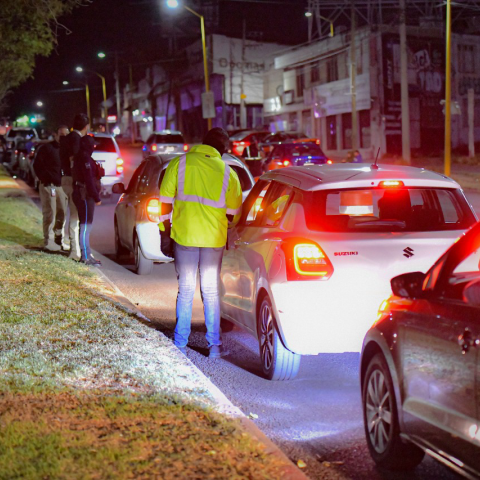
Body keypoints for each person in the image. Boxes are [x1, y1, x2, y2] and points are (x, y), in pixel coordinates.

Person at [159, 127, 242, 358]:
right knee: (211, 291)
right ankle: (214, 346)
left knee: (185, 289)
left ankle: (180, 342)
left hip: (184, 236)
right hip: (213, 239)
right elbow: (234, 213)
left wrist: (164, 232)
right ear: (222, 150)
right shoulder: (228, 172)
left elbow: (164, 202)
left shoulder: (180, 164)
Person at [33, 125, 70, 251]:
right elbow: (37, 165)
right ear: (56, 135)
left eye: (66, 136)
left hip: (61, 187)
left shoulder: (67, 150)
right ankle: (48, 241)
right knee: (50, 213)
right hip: (49, 186)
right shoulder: (47, 148)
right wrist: (46, 178)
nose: (64, 138)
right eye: (61, 135)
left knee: (62, 214)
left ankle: (59, 240)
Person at [60, 113, 89, 261]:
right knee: (75, 216)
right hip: (73, 179)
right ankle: (75, 251)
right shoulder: (76, 139)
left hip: (64, 178)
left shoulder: (65, 139)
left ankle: (76, 248)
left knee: (71, 213)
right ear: (86, 126)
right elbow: (74, 159)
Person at [72, 135, 102, 266]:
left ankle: (87, 253)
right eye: (93, 145)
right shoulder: (84, 159)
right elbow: (88, 180)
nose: (94, 147)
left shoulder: (82, 157)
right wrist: (96, 197)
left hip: (83, 193)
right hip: (84, 194)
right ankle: (85, 256)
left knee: (86, 226)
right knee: (85, 226)